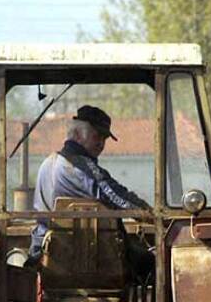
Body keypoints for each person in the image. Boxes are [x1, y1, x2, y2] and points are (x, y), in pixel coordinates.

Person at [28, 105, 152, 268]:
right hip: (86, 256)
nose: (101, 143)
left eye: (104, 139)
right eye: (97, 136)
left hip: (45, 254)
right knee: (152, 263)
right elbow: (118, 198)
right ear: (78, 135)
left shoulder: (48, 163)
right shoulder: (81, 166)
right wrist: (153, 215)